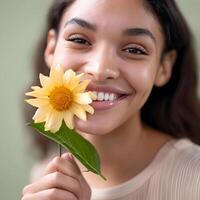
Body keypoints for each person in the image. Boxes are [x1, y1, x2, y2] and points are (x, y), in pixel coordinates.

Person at [22, 0, 200, 199]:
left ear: (164, 67)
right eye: (80, 40)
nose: (99, 70)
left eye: (134, 50)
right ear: (52, 49)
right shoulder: (46, 176)